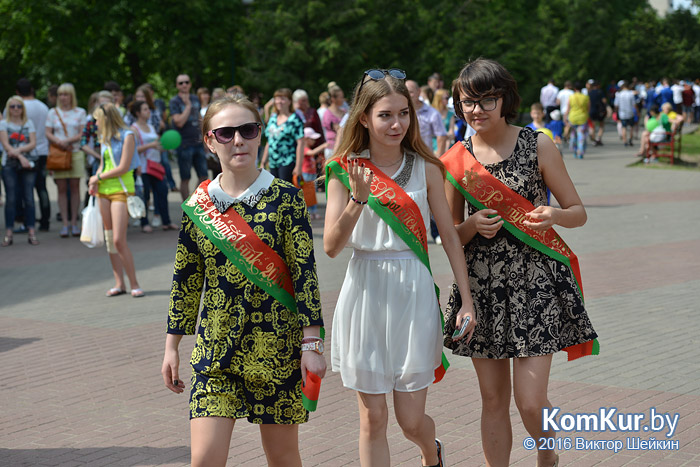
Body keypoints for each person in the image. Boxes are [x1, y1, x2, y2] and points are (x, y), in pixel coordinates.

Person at [441, 58, 598, 467]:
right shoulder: (456, 159)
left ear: (504, 98)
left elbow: (578, 211)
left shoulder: (538, 144)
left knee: (530, 403)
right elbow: (449, 236)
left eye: (486, 100)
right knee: (492, 400)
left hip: (535, 286)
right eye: (467, 102)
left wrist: (555, 216)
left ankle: (548, 456)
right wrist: (472, 224)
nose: (476, 110)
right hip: (482, 288)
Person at [161, 95, 325, 467]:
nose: (238, 140)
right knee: (204, 460)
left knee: (283, 458)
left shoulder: (287, 199)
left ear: (259, 135)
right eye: (226, 132)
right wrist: (172, 346)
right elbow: (186, 279)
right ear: (209, 140)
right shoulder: (197, 205)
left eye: (248, 130)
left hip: (278, 351)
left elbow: (305, 274)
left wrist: (311, 344)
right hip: (216, 351)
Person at [324, 68, 474, 467]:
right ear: (364, 119)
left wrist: (466, 301)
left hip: (412, 289)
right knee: (373, 418)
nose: (397, 124)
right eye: (386, 115)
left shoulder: (427, 167)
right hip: (365, 290)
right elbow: (332, 247)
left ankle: (431, 450)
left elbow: (450, 238)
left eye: (403, 113)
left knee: (410, 420)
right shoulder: (343, 169)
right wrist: (357, 200)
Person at [87, 103, 144, 298]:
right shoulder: (104, 137)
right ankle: (119, 283)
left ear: (106, 118)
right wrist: (95, 180)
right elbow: (102, 164)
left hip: (121, 189)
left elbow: (123, 167)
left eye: (97, 119)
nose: (95, 123)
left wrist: (98, 178)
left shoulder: (128, 135)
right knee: (110, 240)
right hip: (103, 191)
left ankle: (134, 283)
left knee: (119, 239)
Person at [45, 83, 87, 237]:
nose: (63, 98)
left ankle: (75, 222)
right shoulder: (52, 113)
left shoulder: (80, 112)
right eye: (61, 94)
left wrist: (68, 140)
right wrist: (59, 141)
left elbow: (82, 133)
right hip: (58, 154)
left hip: (74, 153)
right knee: (61, 188)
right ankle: (64, 223)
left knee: (75, 188)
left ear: (71, 96)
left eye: (66, 94)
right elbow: (47, 132)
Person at [130, 100, 178, 231]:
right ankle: (144, 223)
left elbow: (157, 144)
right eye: (145, 109)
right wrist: (150, 145)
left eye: (148, 109)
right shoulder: (134, 129)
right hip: (143, 167)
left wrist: (163, 147)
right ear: (138, 113)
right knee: (144, 196)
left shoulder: (151, 127)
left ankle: (166, 221)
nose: (148, 112)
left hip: (155, 166)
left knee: (162, 192)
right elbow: (132, 149)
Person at [0, 96, 39, 246]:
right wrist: (21, 156)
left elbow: (33, 143)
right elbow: (5, 144)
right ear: (8, 109)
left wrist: (21, 154)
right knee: (11, 199)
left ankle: (31, 232)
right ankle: (9, 233)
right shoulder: (3, 124)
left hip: (28, 165)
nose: (16, 109)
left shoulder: (29, 123)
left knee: (29, 198)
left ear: (23, 108)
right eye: (12, 106)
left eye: (19, 106)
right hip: (9, 165)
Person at [17, 78, 50, 232]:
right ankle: (45, 220)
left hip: (23, 153)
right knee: (41, 187)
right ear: (32, 89)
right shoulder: (43, 107)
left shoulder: (15, 106)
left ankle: (26, 220)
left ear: (17, 92)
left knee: (25, 189)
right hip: (42, 150)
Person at [170, 74, 208, 201]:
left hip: (198, 143)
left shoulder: (195, 98)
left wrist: (205, 139)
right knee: (185, 178)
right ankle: (185, 207)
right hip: (184, 145)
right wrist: (187, 106)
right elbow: (179, 122)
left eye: (186, 82)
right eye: (181, 83)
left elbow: (199, 119)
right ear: (177, 86)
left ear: (190, 84)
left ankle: (193, 202)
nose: (184, 85)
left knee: (204, 176)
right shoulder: (174, 101)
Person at [260, 88, 304, 182]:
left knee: (285, 191)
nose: (279, 102)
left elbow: (300, 143)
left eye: (283, 98)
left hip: (287, 161)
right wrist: (263, 161)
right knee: (274, 191)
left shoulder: (294, 119)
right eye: (277, 99)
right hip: (272, 162)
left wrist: (299, 166)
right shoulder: (273, 118)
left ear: (289, 101)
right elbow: (269, 141)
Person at [301, 127, 327, 219]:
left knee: (312, 193)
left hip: (312, 173)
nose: (314, 141)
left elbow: (311, 159)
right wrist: (323, 146)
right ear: (306, 139)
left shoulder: (307, 148)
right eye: (312, 139)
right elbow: (311, 153)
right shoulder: (303, 148)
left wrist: (317, 161)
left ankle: (313, 211)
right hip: (306, 174)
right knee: (308, 193)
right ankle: (308, 211)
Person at [565, 82, 590, 159]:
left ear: (574, 89)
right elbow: (588, 108)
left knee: (573, 135)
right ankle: (581, 152)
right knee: (581, 135)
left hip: (573, 118)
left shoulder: (571, 97)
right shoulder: (585, 97)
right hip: (582, 118)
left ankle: (574, 151)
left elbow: (568, 109)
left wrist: (565, 117)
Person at [321, 85, 347, 160]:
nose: (343, 99)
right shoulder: (327, 114)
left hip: (343, 147)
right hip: (332, 149)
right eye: (340, 97)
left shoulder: (344, 112)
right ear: (333, 99)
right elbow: (338, 130)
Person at [614, 81, 636, 147]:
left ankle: (625, 141)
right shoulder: (631, 94)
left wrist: (616, 112)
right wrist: (637, 112)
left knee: (624, 127)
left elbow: (616, 105)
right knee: (631, 127)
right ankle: (630, 140)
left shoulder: (619, 94)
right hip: (630, 113)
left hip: (622, 113)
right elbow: (634, 104)